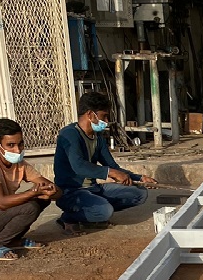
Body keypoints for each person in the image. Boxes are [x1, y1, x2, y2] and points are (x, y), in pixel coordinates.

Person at [53, 92, 157, 235]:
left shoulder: (98, 137)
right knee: (104, 211)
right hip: (71, 191)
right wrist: (111, 173)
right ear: (90, 115)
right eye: (104, 116)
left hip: (93, 188)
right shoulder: (69, 134)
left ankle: (92, 212)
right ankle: (67, 218)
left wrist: (139, 178)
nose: (106, 121)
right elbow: (78, 165)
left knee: (140, 194)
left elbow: (112, 166)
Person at [0, 118, 61, 261]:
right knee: (30, 206)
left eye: (20, 144)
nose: (17, 150)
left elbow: (53, 189)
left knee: (41, 199)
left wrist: (51, 191)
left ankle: (13, 240)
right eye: (11, 145)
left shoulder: (20, 164)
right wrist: (33, 192)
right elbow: (1, 202)